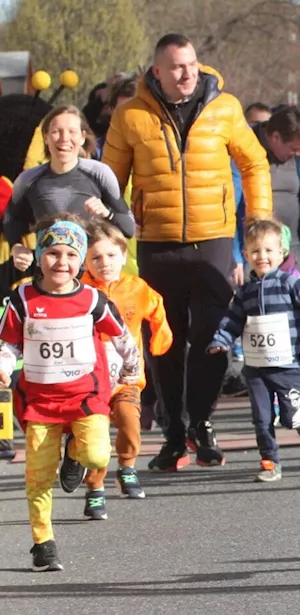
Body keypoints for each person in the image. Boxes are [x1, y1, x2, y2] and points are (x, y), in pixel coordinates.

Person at [103, 33, 272, 472]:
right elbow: (110, 182)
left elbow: (253, 163)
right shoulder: (130, 115)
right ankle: (174, 433)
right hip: (157, 243)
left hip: (213, 238)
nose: (187, 73)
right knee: (164, 343)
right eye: (177, 66)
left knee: (213, 338)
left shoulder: (225, 107)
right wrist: (112, 233)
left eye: (192, 64)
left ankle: (202, 422)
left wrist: (258, 221)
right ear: (156, 70)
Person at [0, 220, 141, 571]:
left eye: (70, 254)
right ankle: (43, 543)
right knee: (38, 477)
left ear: (81, 262)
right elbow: (8, 342)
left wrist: (132, 367)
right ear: (39, 256)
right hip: (39, 402)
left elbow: (122, 336)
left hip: (86, 396)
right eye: (52, 253)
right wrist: (3, 364)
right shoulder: (22, 298)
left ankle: (74, 455)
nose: (61, 262)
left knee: (97, 453)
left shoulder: (93, 299)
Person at [208, 218, 300, 483]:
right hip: (256, 368)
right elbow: (231, 321)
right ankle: (270, 461)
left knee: (290, 419)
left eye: (269, 250)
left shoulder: (290, 283)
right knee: (261, 418)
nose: (263, 256)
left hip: (287, 364)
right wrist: (220, 340)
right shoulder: (245, 292)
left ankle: (299, 413)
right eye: (256, 251)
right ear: (246, 255)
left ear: (281, 253)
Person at [81, 218, 171, 510]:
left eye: (110, 255)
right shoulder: (80, 291)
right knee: (94, 438)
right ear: (85, 261)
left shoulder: (136, 288)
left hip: (127, 377)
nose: (104, 263)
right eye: (95, 257)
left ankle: (127, 468)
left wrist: (160, 339)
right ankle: (94, 486)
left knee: (130, 421)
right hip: (89, 380)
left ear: (123, 256)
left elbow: (156, 308)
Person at [5, 106, 135, 280]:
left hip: (93, 277)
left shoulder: (99, 174)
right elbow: (11, 220)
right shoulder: (29, 179)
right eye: (56, 132)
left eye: (72, 132)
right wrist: (17, 247)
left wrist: (107, 213)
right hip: (50, 277)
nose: (64, 139)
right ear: (45, 137)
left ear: (82, 137)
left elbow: (129, 228)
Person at [235, 106, 300, 281]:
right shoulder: (243, 145)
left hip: (292, 244)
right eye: (294, 148)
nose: (299, 153)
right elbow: (230, 203)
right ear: (275, 137)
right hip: (252, 248)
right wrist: (235, 255)